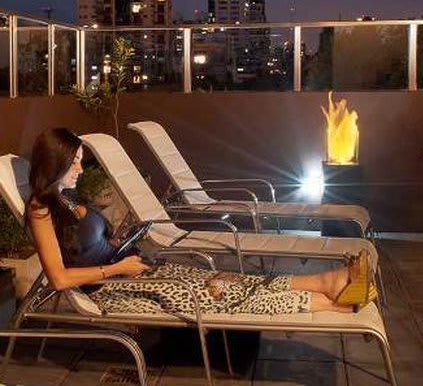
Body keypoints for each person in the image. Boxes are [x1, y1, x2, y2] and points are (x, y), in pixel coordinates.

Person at [26, 128, 377, 315]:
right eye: (73, 162)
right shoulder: (40, 209)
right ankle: (334, 301)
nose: (78, 168)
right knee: (213, 296)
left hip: (128, 269)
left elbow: (90, 244)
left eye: (80, 161)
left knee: (219, 277)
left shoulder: (69, 198)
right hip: (108, 290)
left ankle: (323, 281)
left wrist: (121, 244)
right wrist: (115, 270)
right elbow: (58, 279)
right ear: (54, 163)